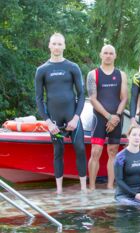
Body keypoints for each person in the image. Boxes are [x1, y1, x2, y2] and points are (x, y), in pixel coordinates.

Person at [35, 33, 87, 194]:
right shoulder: (42, 70)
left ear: (64, 46)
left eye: (60, 44)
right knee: (58, 151)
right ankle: (59, 191)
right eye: (54, 44)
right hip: (55, 121)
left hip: (73, 117)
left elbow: (81, 94)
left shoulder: (72, 67)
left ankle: (84, 189)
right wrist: (48, 122)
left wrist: (76, 118)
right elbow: (38, 98)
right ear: (49, 46)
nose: (57, 47)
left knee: (79, 148)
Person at [86, 45, 128, 190]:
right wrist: (109, 116)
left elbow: (124, 98)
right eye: (105, 53)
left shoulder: (121, 74)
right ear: (101, 55)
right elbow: (92, 99)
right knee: (95, 152)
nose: (108, 56)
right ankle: (91, 187)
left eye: (111, 53)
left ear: (115, 55)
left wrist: (116, 116)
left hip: (116, 118)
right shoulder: (93, 74)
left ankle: (110, 186)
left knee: (113, 151)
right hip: (100, 118)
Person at [114, 125, 140, 205]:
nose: (137, 137)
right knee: (138, 206)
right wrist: (135, 195)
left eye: (139, 135)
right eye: (134, 135)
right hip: (124, 194)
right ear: (128, 136)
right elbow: (119, 181)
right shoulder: (120, 157)